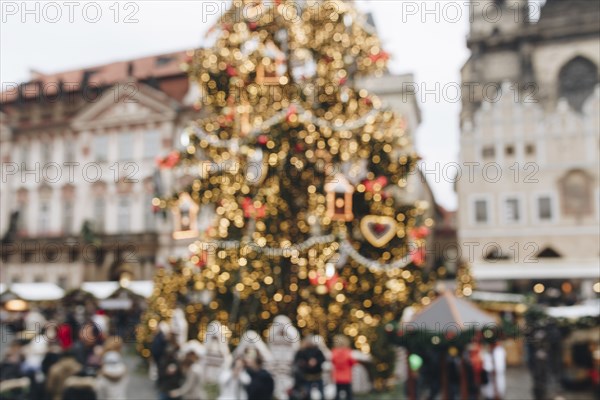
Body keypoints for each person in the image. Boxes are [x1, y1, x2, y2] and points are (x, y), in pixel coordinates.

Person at [331, 335, 356, 400]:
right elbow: (352, 362)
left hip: (337, 377)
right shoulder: (348, 352)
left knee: (337, 394)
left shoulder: (334, 352)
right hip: (347, 377)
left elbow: (333, 361)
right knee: (349, 395)